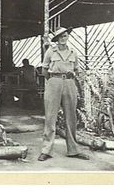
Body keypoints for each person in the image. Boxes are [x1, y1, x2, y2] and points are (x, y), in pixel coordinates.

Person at [38, 27, 89, 161]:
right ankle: (46, 150)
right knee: (50, 117)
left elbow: (77, 70)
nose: (63, 38)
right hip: (54, 82)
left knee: (71, 117)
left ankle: (73, 149)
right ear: (56, 39)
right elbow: (44, 71)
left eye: (65, 36)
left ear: (68, 37)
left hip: (69, 83)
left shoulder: (73, 52)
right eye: (60, 36)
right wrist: (54, 80)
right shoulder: (50, 51)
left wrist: (72, 74)